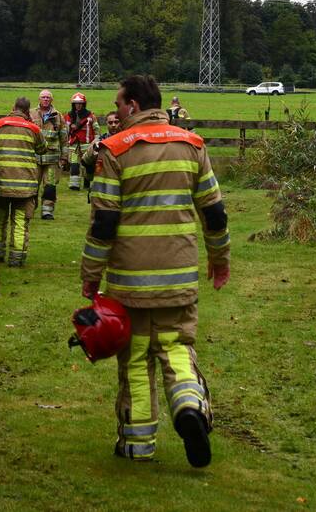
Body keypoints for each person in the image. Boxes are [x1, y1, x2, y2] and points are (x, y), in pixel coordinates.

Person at [80, 75, 231, 467]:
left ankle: (137, 445)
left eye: (117, 105)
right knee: (177, 347)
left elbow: (104, 224)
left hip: (129, 284)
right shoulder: (192, 144)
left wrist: (91, 272)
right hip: (178, 278)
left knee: (135, 360)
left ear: (132, 105)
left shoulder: (114, 151)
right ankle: (189, 409)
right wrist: (220, 259)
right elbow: (214, 213)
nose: (114, 112)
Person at [0, 96, 46, 267]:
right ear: (28, 111)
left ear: (13, 107)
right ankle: (17, 258)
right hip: (26, 186)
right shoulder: (34, 129)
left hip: (0, 183)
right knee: (20, 222)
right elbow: (42, 149)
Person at [29, 89, 68, 220]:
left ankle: (47, 211)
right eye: (43, 97)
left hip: (52, 159)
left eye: (48, 97)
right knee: (32, 186)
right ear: (39, 99)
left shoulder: (58, 116)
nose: (45, 99)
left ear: (51, 100)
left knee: (50, 186)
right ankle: (29, 210)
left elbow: (64, 138)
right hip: (34, 158)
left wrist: (64, 157)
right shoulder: (31, 114)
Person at [65, 92, 100, 191]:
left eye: (80, 103)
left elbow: (96, 129)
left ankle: (87, 183)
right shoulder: (69, 116)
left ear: (84, 104)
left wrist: (96, 142)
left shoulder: (90, 116)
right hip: (74, 145)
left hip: (87, 145)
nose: (78, 105)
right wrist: (66, 143)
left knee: (87, 165)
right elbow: (66, 131)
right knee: (74, 165)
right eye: (76, 103)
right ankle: (74, 186)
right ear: (73, 104)